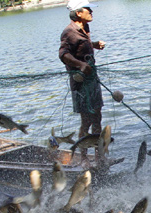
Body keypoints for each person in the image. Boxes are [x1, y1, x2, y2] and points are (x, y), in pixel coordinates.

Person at [59, 0, 106, 167]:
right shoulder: (69, 32)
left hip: (92, 80)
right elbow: (64, 54)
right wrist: (80, 65)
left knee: (97, 117)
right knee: (86, 120)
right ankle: (84, 157)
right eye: (88, 9)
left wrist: (93, 45)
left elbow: (81, 46)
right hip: (80, 83)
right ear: (78, 13)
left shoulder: (84, 28)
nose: (91, 12)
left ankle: (99, 155)